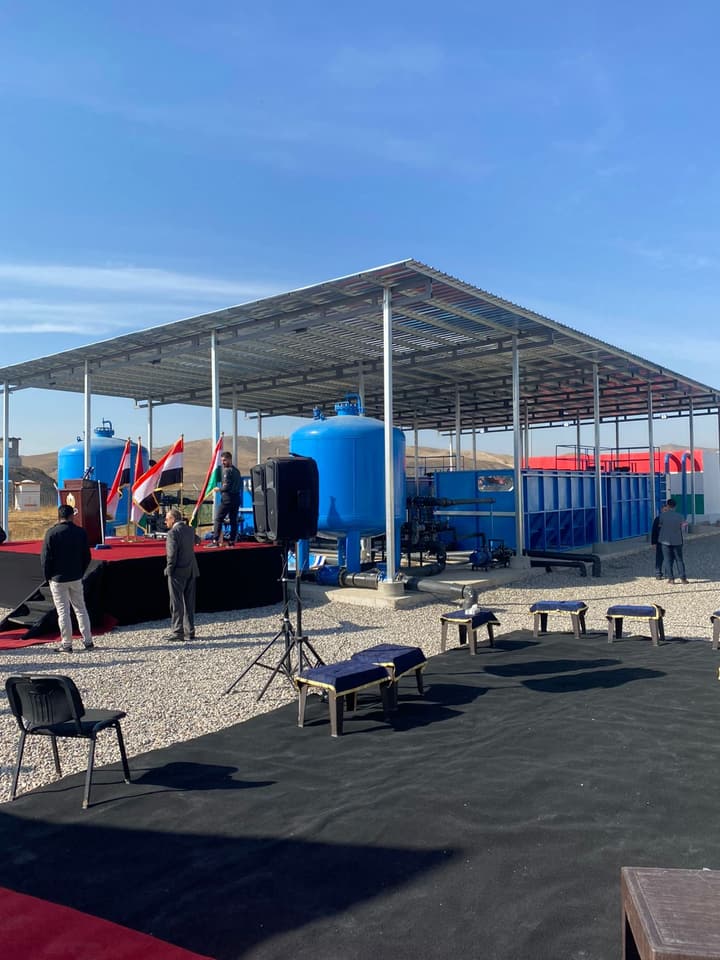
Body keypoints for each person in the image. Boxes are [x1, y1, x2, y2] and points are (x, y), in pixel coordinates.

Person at [41, 504, 94, 653]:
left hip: (58, 579)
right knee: (81, 609)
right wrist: (80, 572)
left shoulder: (51, 533)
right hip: (76, 577)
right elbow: (87, 556)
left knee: (63, 612)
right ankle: (88, 641)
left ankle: (67, 643)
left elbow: (45, 558)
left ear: (59, 516)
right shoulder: (80, 532)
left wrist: (48, 577)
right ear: (72, 516)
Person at [164, 507, 200, 642]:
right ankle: (190, 630)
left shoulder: (173, 533)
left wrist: (169, 569)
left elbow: (172, 554)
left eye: (167, 519)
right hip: (191, 570)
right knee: (189, 603)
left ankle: (177, 631)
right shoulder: (189, 530)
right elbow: (198, 540)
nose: (165, 521)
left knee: (176, 602)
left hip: (178, 571)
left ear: (173, 519)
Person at [212, 451, 242, 546]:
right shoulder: (237, 471)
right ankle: (232, 541)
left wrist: (218, 489)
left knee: (218, 519)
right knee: (233, 520)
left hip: (227, 499)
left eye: (224, 460)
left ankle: (215, 540)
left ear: (229, 459)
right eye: (222, 460)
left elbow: (226, 487)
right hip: (236, 498)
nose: (223, 462)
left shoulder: (227, 471)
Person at [657, 498, 689, 585]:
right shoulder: (680, 516)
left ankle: (671, 579)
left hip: (665, 540)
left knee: (667, 560)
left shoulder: (662, 515)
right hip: (677, 540)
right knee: (679, 560)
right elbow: (683, 526)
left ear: (667, 505)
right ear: (675, 506)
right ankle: (683, 578)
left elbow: (660, 525)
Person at [649, 503, 669, 580]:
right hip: (660, 542)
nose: (666, 511)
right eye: (665, 510)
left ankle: (668, 573)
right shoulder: (657, 519)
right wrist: (653, 542)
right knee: (659, 558)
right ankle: (658, 573)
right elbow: (654, 531)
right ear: (662, 510)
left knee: (668, 558)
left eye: (667, 510)